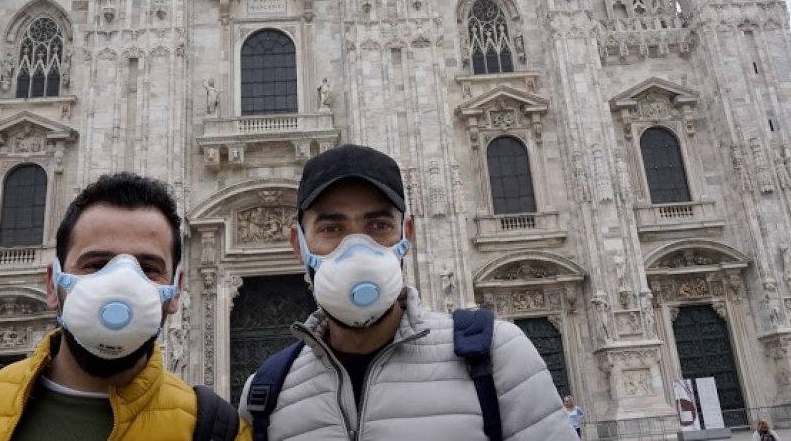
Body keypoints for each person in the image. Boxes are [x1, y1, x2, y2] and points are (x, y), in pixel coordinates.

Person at [238, 144, 578, 440]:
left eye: (379, 225)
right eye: (331, 228)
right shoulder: (266, 395)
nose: (356, 247)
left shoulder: (497, 356)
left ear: (407, 234)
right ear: (298, 244)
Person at [0, 173, 250, 441]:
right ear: (53, 284)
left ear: (176, 292)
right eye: (96, 264)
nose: (122, 283)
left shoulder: (215, 431)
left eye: (149, 268)